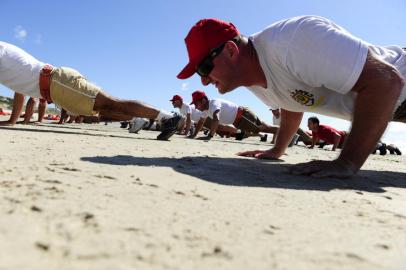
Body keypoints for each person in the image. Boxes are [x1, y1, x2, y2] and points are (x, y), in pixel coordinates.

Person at [177, 16, 405, 177]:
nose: (203, 80)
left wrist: (347, 162)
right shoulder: (249, 77)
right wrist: (278, 149)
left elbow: (386, 82)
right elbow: (292, 102)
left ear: (230, 50)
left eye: (204, 68)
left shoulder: (290, 41)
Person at [0, 41, 181, 140]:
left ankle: (166, 117)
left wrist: (13, 121)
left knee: (111, 103)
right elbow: (20, 90)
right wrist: (13, 120)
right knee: (106, 110)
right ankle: (148, 118)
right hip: (56, 88)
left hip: (58, 82)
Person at [190, 90, 277, 141]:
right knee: (261, 129)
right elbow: (201, 122)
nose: (195, 107)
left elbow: (216, 117)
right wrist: (194, 135)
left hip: (243, 116)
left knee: (263, 129)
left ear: (203, 101)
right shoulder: (206, 110)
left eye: (196, 104)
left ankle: (286, 132)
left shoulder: (213, 103)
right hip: (240, 121)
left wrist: (210, 136)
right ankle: (285, 132)